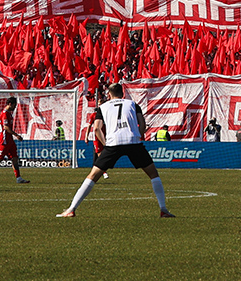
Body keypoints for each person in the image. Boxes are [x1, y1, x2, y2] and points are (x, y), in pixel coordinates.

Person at [57, 84, 172, 219]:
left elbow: (96, 128)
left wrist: (106, 144)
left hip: (113, 143)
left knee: (93, 176)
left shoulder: (103, 107)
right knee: (153, 174)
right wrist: (138, 136)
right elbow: (142, 123)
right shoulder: (133, 104)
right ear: (122, 93)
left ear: (109, 94)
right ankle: (163, 209)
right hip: (133, 142)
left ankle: (71, 209)